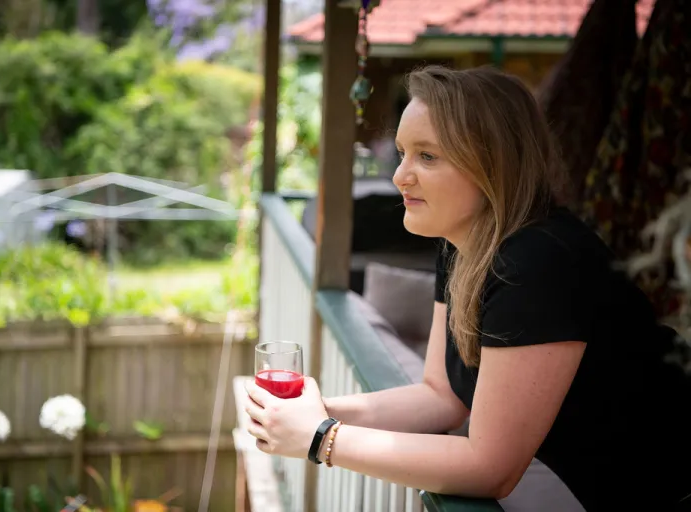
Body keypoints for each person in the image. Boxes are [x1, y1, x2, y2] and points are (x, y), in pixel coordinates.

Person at [244, 65, 691, 511]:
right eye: (402, 152)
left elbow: (491, 468)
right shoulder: (464, 243)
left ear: (493, 165)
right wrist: (321, 409)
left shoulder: (536, 263)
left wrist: (322, 438)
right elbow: (442, 397)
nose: (400, 176)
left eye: (428, 156)